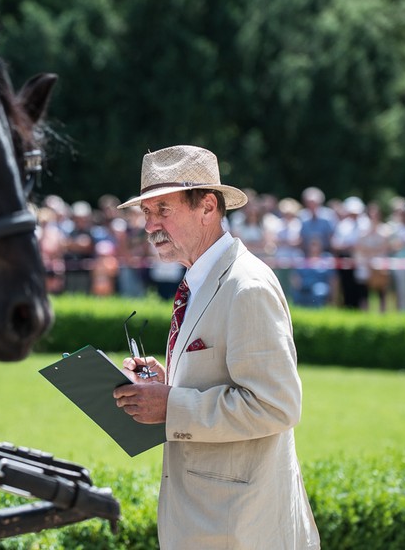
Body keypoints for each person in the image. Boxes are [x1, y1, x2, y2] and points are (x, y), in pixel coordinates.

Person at [111, 145, 319, 549]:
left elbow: (276, 405)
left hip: (241, 528)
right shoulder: (201, 279)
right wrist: (165, 384)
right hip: (211, 520)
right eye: (146, 212)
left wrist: (170, 405)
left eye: (163, 210)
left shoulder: (247, 285)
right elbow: (218, 378)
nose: (150, 225)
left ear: (207, 206)